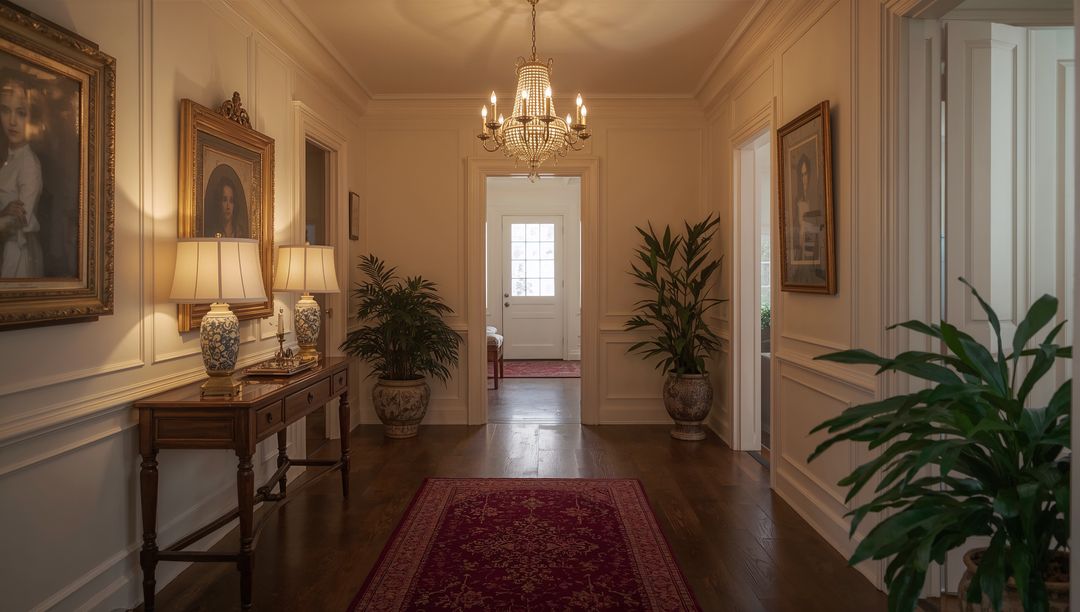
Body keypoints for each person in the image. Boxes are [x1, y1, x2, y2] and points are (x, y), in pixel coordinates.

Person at [0, 72, 43, 278]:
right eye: (5, 110)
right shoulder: (8, 158)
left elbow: (17, 221)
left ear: (31, 117)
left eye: (21, 113)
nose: (12, 121)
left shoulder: (29, 164)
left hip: (16, 254)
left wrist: (5, 216)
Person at [203, 167, 249, 238]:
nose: (228, 206)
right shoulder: (212, 233)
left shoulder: (240, 232)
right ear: (219, 203)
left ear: (234, 205)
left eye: (231, 201)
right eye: (224, 200)